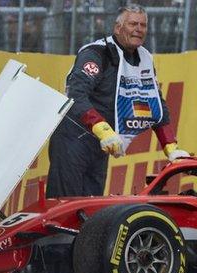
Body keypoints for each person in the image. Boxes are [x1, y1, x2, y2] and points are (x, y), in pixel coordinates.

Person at [46, 4, 188, 198]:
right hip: (73, 140)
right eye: (133, 24)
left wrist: (171, 147)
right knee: (63, 206)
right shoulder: (96, 53)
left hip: (101, 145)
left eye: (143, 25)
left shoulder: (145, 58)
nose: (139, 29)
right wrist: (102, 129)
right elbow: (75, 95)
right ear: (118, 28)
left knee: (91, 206)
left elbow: (156, 105)